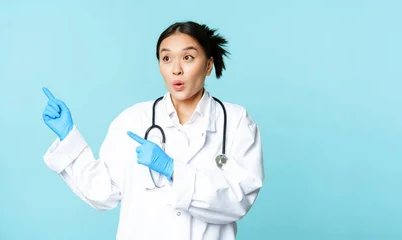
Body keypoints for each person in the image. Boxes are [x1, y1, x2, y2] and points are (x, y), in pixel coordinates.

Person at [41, 21, 264, 240]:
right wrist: (67, 136)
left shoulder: (235, 122)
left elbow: (239, 200)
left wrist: (172, 169)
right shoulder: (133, 120)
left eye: (188, 57)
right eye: (167, 58)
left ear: (208, 65)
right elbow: (101, 192)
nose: (176, 69)